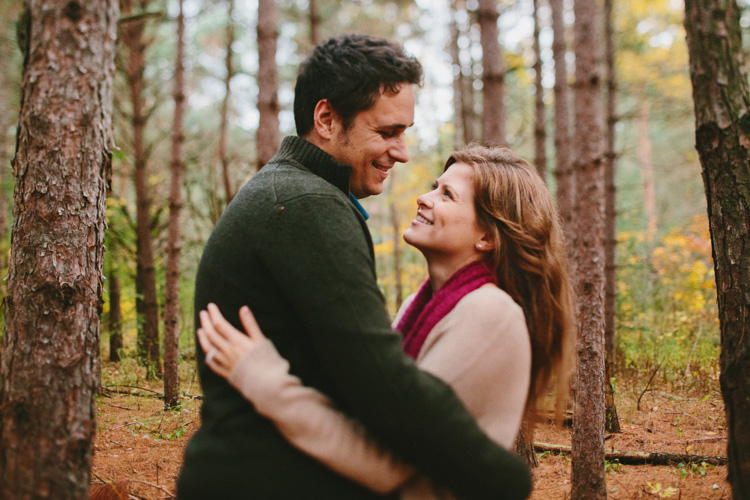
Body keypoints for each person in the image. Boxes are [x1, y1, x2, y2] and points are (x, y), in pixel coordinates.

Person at [176, 34, 532, 499]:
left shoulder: (296, 193)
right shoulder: (307, 204)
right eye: (387, 132)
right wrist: (503, 476)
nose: (402, 152)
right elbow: (382, 386)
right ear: (326, 119)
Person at [197, 145, 576, 499]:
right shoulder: (420, 304)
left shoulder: (489, 314)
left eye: (447, 195)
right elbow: (379, 416)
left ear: (487, 236)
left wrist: (267, 383)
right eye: (434, 187)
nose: (423, 198)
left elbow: (388, 464)